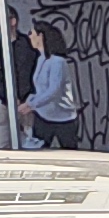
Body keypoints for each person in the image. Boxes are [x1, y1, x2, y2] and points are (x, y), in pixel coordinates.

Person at [22, 19, 81, 150]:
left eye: (31, 33)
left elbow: (54, 90)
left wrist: (32, 104)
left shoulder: (57, 62)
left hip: (63, 118)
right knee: (37, 151)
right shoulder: (41, 59)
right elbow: (40, 89)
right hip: (43, 116)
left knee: (69, 153)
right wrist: (30, 100)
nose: (29, 36)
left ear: (40, 36)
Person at [0, 19, 35, 148]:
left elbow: (31, 72)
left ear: (13, 21)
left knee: (29, 137)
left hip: (26, 101)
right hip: (5, 102)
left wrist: (23, 97)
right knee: (5, 138)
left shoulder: (26, 45)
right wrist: (7, 97)